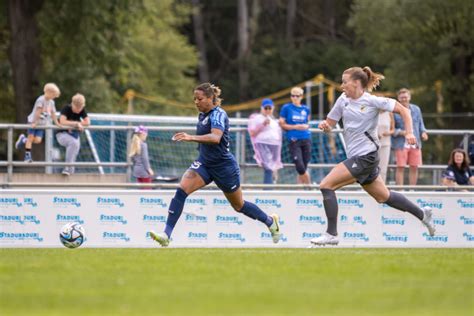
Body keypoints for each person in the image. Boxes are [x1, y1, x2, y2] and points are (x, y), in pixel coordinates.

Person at [310, 66, 435, 246]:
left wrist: (409, 133)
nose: (341, 85)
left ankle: (331, 234)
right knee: (384, 197)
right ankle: (423, 215)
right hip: (359, 158)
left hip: (366, 157)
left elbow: (404, 111)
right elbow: (330, 123)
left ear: (356, 83)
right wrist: (325, 126)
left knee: (326, 185)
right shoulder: (342, 100)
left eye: (344, 82)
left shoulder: (372, 101)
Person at [149, 83, 281, 247]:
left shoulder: (218, 114)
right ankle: (166, 235)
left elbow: (215, 138)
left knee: (239, 206)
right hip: (204, 164)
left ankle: (270, 222)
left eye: (200, 99)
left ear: (211, 98)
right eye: (194, 99)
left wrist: (191, 137)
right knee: (181, 190)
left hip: (224, 167)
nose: (196, 102)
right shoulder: (202, 115)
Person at [15, 83, 61, 162]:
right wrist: (35, 122)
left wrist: (56, 123)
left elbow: (53, 113)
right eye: (53, 95)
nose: (54, 97)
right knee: (31, 138)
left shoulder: (52, 102)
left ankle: (23, 140)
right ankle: (27, 157)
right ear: (48, 92)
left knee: (38, 140)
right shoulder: (41, 100)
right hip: (33, 121)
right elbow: (38, 112)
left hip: (42, 124)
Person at [392, 88, 428, 185]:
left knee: (414, 166)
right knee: (400, 167)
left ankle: (413, 189)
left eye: (405, 97)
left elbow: (421, 124)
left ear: (409, 97)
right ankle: (400, 189)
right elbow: (392, 129)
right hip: (400, 143)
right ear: (398, 98)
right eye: (402, 97)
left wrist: (423, 132)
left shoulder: (416, 109)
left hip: (415, 143)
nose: (404, 99)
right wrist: (402, 132)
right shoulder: (394, 111)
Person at [279, 87, 312, 184]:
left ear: (301, 97)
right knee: (300, 167)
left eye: (297, 96)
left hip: (306, 138)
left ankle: (301, 189)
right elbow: (282, 124)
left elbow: (307, 123)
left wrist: (305, 126)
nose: (294, 98)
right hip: (294, 139)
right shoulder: (286, 108)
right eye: (292, 95)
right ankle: (310, 186)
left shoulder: (306, 109)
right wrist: (295, 126)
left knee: (304, 166)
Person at [247, 98, 283, 184]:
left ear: (272, 108)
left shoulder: (274, 120)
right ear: (262, 108)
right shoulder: (256, 118)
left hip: (274, 144)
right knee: (268, 168)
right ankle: (268, 190)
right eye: (265, 108)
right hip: (262, 143)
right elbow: (252, 132)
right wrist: (262, 124)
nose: (267, 110)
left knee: (273, 167)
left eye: (269, 108)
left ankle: (271, 186)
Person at [55, 93, 90, 176]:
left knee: (75, 148)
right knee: (73, 143)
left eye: (80, 108)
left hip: (74, 135)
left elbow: (88, 122)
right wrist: (75, 124)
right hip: (62, 135)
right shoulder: (66, 108)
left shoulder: (82, 110)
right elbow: (62, 121)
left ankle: (71, 171)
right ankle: (67, 168)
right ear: (72, 104)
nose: (78, 110)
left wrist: (78, 124)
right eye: (76, 108)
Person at [377, 110, 394, 183]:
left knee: (383, 167)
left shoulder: (389, 113)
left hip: (386, 143)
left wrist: (388, 133)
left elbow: (393, 129)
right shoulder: (373, 112)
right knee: (371, 167)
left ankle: (381, 185)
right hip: (372, 144)